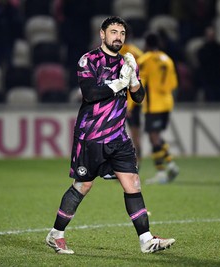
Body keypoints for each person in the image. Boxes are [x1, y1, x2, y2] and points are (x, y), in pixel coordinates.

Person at [45, 16, 175, 254]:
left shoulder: (128, 61)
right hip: (91, 135)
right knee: (83, 186)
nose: (118, 37)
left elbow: (138, 97)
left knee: (133, 184)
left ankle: (146, 240)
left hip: (118, 137)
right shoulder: (89, 60)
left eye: (122, 33)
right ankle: (56, 234)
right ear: (102, 34)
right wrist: (118, 83)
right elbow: (90, 93)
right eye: (113, 32)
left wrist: (133, 80)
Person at [137, 32, 179, 185]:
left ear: (146, 45)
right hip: (167, 103)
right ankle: (171, 164)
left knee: (154, 138)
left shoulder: (145, 60)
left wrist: (129, 104)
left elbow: (138, 85)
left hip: (153, 105)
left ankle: (161, 172)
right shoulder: (167, 59)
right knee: (156, 136)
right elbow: (173, 84)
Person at [120, 34, 144, 165]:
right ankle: (135, 162)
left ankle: (134, 163)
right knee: (134, 133)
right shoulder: (136, 52)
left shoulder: (123, 53)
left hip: (128, 100)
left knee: (130, 133)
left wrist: (128, 105)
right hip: (133, 98)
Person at [197, 26, 220, 102]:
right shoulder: (202, 51)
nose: (211, 37)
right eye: (209, 35)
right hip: (208, 81)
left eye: (212, 35)